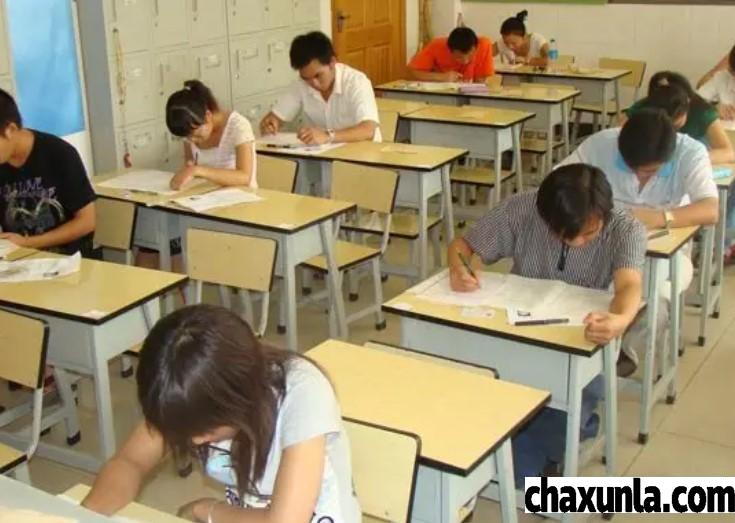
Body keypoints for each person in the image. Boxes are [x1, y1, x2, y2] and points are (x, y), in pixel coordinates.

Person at [448, 164, 646, 484]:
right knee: (482, 396)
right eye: (565, 234)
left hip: (579, 341)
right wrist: (460, 269)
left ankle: (551, 442)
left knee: (539, 434)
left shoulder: (625, 229)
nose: (577, 242)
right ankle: (556, 437)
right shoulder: (523, 208)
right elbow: (463, 246)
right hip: (518, 332)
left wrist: (620, 320)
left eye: (589, 234)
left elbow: (629, 285)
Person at [82, 305, 361, 523]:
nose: (194, 440)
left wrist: (207, 510)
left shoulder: (303, 394)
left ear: (236, 399)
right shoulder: (187, 389)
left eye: (204, 429)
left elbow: (285, 521)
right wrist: (85, 516)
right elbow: (130, 461)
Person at [558, 109, 718, 373]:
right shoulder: (601, 144)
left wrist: (659, 217)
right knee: (580, 283)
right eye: (632, 168)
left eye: (650, 171)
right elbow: (556, 183)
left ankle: (620, 351)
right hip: (601, 245)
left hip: (665, 249)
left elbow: (710, 210)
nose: (640, 177)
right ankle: (584, 356)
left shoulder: (690, 153)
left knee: (654, 297)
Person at [0, 88, 96, 256]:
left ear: (10, 130)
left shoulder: (59, 153)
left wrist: (27, 243)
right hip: (18, 260)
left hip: (68, 261)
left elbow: (87, 221)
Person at [260, 31, 380, 144]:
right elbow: (274, 117)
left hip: (362, 153)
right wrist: (270, 124)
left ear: (332, 62)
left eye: (318, 76)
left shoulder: (356, 82)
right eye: (306, 78)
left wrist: (328, 136)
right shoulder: (301, 83)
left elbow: (368, 130)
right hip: (324, 154)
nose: (314, 83)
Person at [622, 72, 734, 164]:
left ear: (687, 103)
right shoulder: (643, 107)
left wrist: (690, 159)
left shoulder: (704, 113)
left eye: (674, 118)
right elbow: (619, 137)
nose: (668, 123)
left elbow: (728, 153)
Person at [166, 79, 257, 190]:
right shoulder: (190, 130)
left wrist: (197, 170)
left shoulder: (238, 126)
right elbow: (189, 165)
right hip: (208, 194)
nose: (192, 140)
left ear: (208, 115)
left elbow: (244, 177)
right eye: (187, 137)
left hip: (242, 195)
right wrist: (184, 174)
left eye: (196, 135)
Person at [407, 26, 494, 83]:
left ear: (475, 47)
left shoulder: (484, 45)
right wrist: (442, 77)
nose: (465, 61)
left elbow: (482, 81)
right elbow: (414, 72)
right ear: (449, 50)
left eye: (470, 56)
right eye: (458, 57)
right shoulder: (437, 45)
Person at [698, 44, 735, 126]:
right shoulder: (723, 77)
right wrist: (713, 109)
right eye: (733, 73)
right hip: (723, 131)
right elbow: (695, 101)